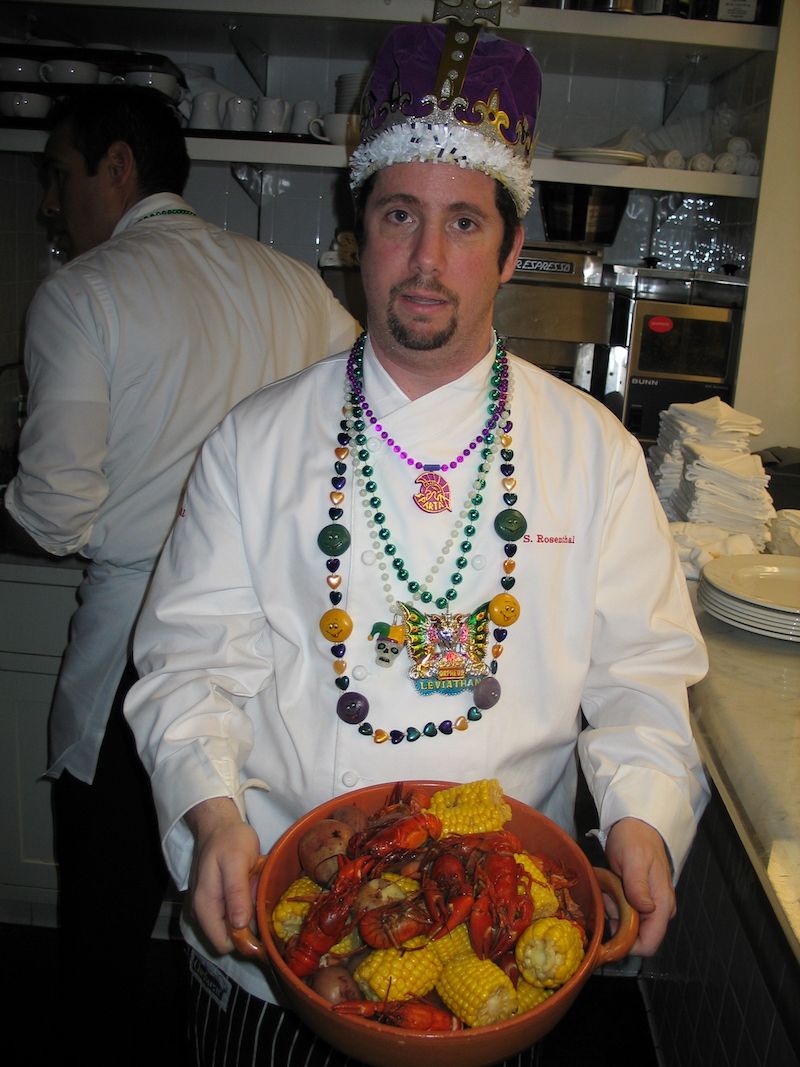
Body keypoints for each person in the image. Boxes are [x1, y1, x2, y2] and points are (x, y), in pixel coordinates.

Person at [125, 19, 710, 1067]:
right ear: (358, 232)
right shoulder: (253, 444)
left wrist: (642, 821)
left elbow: (641, 681)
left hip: (496, 952)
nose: (427, 261)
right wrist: (210, 812)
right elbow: (186, 667)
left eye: (463, 223)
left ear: (513, 247)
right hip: (287, 944)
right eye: (399, 215)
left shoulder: (594, 454)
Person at [0, 84, 359, 1066]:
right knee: (250, 910)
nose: (50, 201)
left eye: (59, 174)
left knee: (106, 925)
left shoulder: (82, 293)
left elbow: (55, 509)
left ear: (118, 165)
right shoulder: (299, 289)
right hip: (274, 654)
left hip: (133, 656)